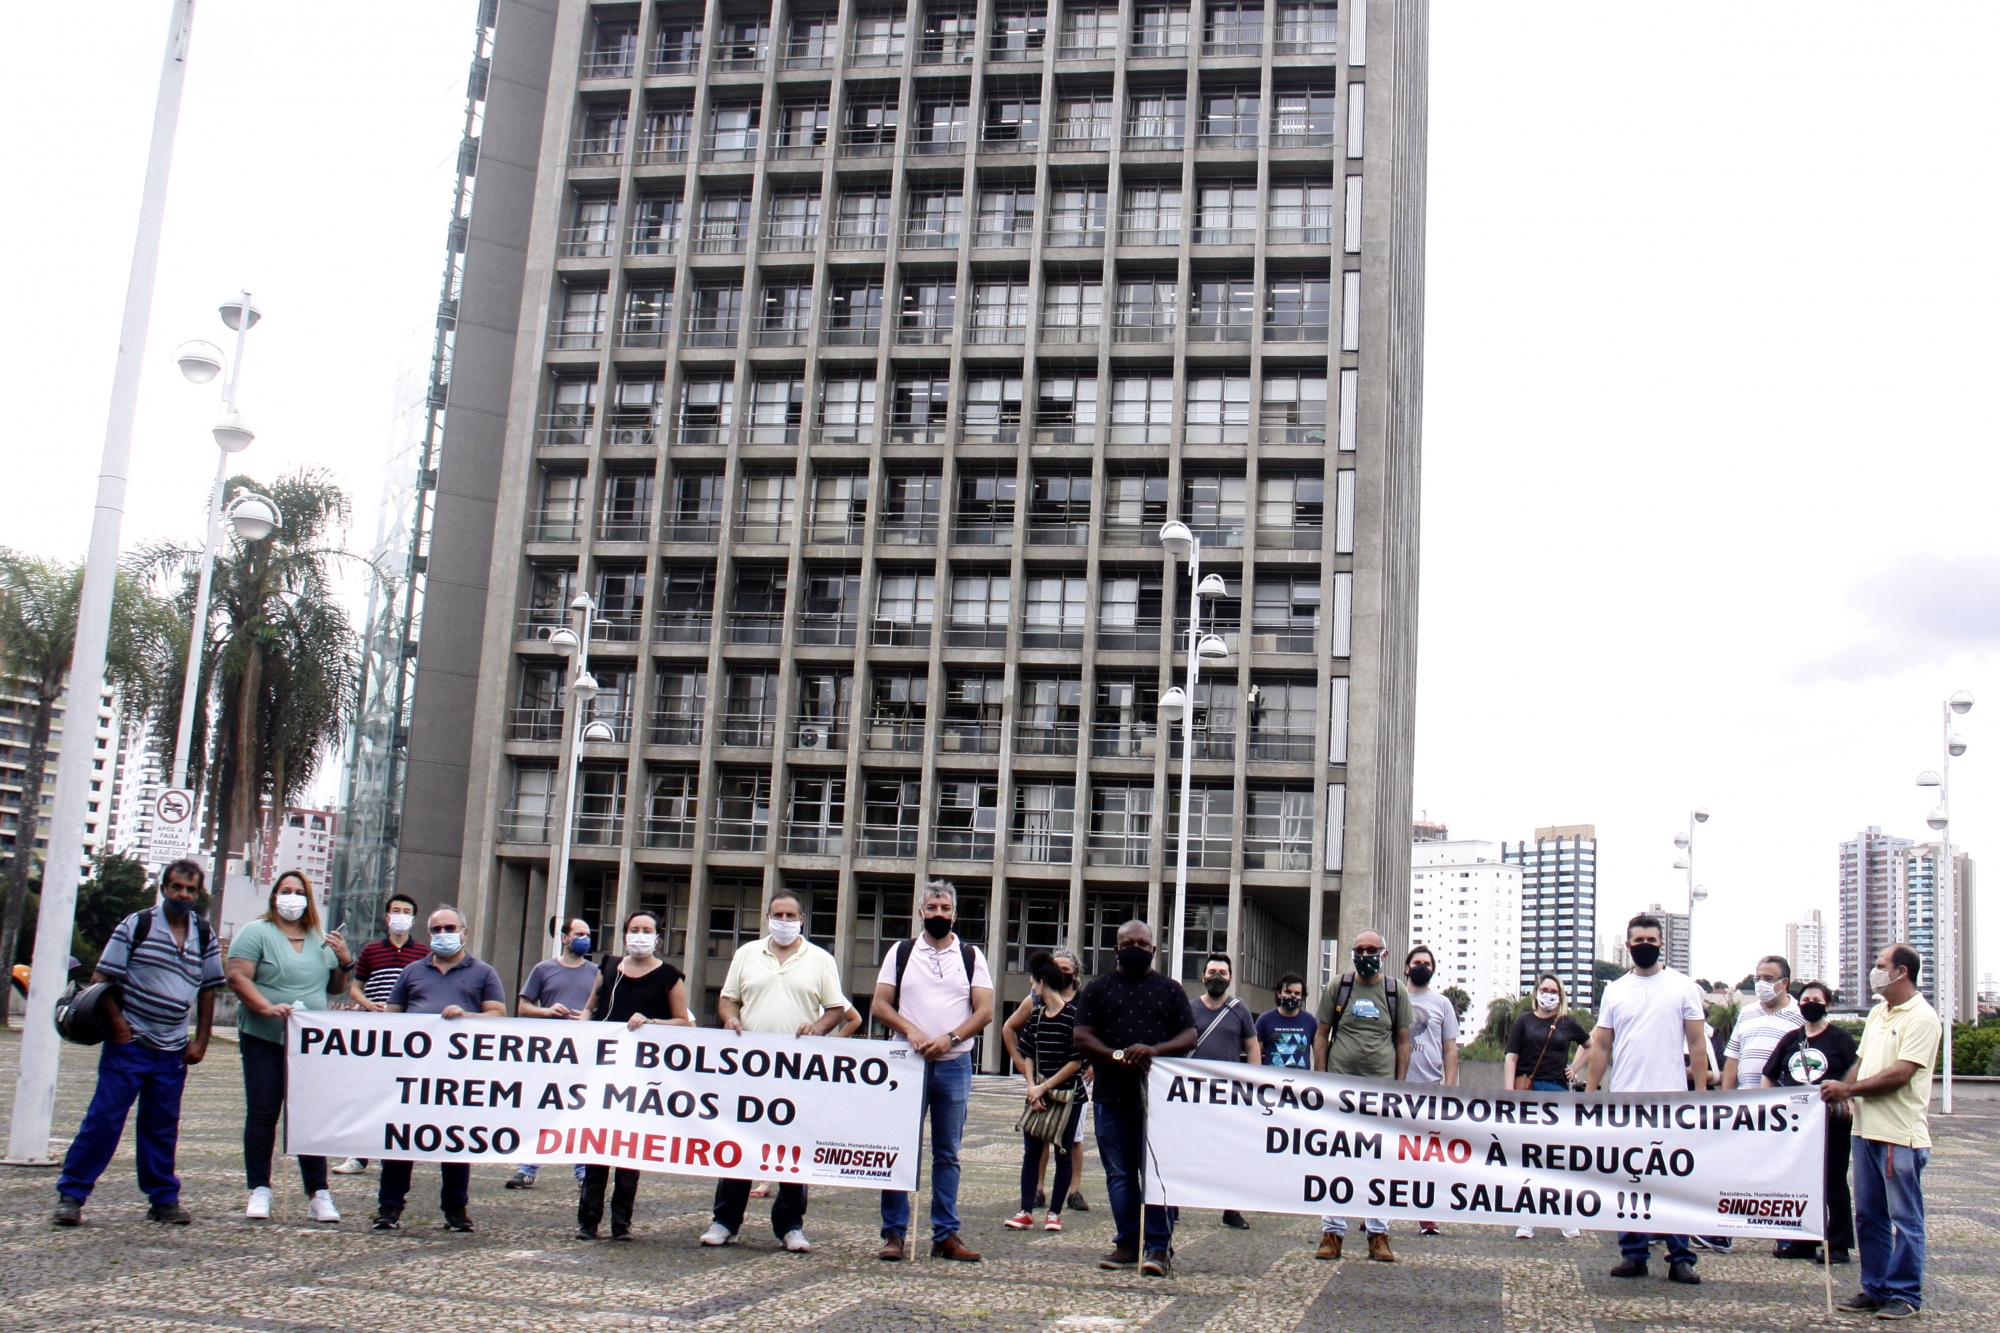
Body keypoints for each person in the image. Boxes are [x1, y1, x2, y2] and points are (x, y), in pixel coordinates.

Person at [53, 859, 222, 1227]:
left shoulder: (204, 934)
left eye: (191, 889)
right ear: (163, 888)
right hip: (130, 1044)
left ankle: (163, 1198)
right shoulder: (137, 924)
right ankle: (72, 1195)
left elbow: (209, 989)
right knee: (104, 1119)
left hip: (173, 1048)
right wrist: (118, 1024)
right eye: (176, 887)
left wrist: (202, 1039)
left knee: (162, 1126)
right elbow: (102, 978)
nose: (183, 895)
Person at [704, 887, 859, 1252]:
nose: (785, 921)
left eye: (791, 916)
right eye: (778, 915)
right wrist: (730, 1019)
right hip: (751, 1067)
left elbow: (836, 1008)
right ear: (768, 917)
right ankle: (725, 1220)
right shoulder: (746, 954)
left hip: (797, 1069)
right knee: (739, 1142)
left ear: (802, 919)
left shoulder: (820, 959)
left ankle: (790, 1224)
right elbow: (727, 999)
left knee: (793, 1146)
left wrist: (818, 1029)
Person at [872, 880, 995, 1262]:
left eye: (945, 909)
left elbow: (986, 1011)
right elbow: (879, 1004)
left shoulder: (972, 956)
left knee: (948, 1154)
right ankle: (894, 1234)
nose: (938, 914)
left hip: (954, 1064)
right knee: (898, 1148)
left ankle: (945, 1233)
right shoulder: (901, 951)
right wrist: (911, 1030)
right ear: (921, 912)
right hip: (906, 1064)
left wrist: (950, 1039)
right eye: (932, 908)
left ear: (955, 914)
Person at [1071, 920, 1198, 1277]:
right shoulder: (1097, 989)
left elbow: (1190, 1035)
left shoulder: (1170, 989)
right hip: (1111, 1095)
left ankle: (1158, 1247)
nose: (1136, 949)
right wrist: (1115, 1055)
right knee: (1120, 1173)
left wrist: (1153, 1051)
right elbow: (1081, 1037)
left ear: (1154, 950)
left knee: (1156, 1173)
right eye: (1129, 943)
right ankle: (1127, 1242)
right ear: (1116, 948)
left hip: (1159, 1100)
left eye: (1143, 944)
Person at [1587, 913, 1709, 1285]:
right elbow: (1602, 1043)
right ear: (1627, 946)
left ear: (1661, 944)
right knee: (1629, 1180)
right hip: (1624, 1100)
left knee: (1672, 1181)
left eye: (1651, 940)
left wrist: (1700, 1096)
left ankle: (1681, 1256)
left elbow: (1697, 1043)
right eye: (1638, 941)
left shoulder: (1683, 987)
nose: (1644, 946)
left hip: (1670, 1101)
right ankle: (1633, 1253)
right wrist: (1592, 1092)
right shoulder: (1615, 990)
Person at [225, 871, 354, 1222]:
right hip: (264, 1036)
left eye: (299, 892)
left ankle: (318, 1192)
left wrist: (345, 960)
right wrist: (266, 1007)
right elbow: (237, 976)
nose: (292, 898)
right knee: (264, 1112)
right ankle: (260, 1189)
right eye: (286, 891)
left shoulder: (318, 939)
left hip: (309, 1043)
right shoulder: (257, 933)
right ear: (274, 897)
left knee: (309, 1115)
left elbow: (335, 987)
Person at [1825, 944, 1942, 1320]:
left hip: (1899, 1136)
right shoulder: (1879, 1012)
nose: (1874, 971)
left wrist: (1849, 1091)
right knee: (1869, 1216)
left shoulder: (1922, 1017)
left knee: (1904, 1218)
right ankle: (1875, 1287)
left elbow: (1901, 1074)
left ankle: (1906, 1294)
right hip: (1865, 1132)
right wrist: (1844, 1092)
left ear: (1901, 972)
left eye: (1880, 965)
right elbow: (1860, 1062)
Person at [378, 905, 506, 1231]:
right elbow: (392, 1016)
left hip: (458, 1075)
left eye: (450, 928)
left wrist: (467, 1018)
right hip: (413, 1073)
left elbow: (497, 1016)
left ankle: (455, 1209)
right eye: (437, 929)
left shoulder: (484, 972)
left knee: (455, 1140)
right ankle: (389, 1208)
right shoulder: (411, 971)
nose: (444, 935)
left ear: (464, 932)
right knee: (401, 1139)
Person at [575, 910, 693, 1239]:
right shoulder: (609, 968)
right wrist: (579, 1037)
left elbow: (682, 1021)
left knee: (628, 1149)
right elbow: (590, 1007)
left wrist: (652, 1024)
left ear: (657, 937)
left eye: (646, 930)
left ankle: (621, 1221)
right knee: (596, 1147)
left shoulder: (670, 976)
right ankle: (588, 1220)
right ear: (625, 933)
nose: (639, 935)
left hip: (643, 1077)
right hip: (604, 1071)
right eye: (633, 929)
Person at [1311, 929, 1409, 1262]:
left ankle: (1378, 1233)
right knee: (1335, 1158)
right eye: (1359, 949)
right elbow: (1321, 1035)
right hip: (1340, 1089)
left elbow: (1403, 1041)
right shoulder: (1338, 987)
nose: (1365, 955)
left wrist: (1399, 1084)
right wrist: (1321, 1079)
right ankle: (1332, 1232)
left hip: (1380, 1090)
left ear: (1384, 954)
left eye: (1372, 950)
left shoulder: (1396, 992)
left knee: (1379, 1162)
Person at [1762, 980, 1857, 1265]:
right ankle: (1804, 1240)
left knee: (1833, 1180)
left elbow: (1855, 1071)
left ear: (1827, 1004)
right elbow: (1770, 1073)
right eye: (1805, 999)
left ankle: (1839, 1244)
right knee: (1800, 1180)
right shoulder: (1791, 1039)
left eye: (1816, 999)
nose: (1810, 1003)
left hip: (1833, 1123)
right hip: (1796, 1125)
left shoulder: (1840, 1038)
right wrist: (1766, 1107)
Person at [335, 893, 429, 1175]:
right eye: (395, 911)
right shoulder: (371, 950)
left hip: (407, 1035)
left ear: (413, 918)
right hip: (376, 1031)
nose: (400, 916)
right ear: (387, 917)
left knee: (402, 1093)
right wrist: (369, 1006)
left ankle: (397, 1153)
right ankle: (359, 1155)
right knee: (369, 1094)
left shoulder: (423, 953)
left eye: (406, 911)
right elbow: (355, 987)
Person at [506, 918, 601, 1191]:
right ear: (564, 938)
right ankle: (527, 1168)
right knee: (544, 1110)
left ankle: (583, 1171)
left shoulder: (597, 973)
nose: (584, 938)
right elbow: (523, 1007)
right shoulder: (543, 969)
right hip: (549, 1053)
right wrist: (546, 1011)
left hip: (584, 1053)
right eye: (579, 933)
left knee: (582, 1111)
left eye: (587, 933)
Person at [1002, 948, 1093, 1214]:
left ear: (1076, 975)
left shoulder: (1083, 1004)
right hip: (1040, 1082)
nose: (1062, 974)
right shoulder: (1035, 1002)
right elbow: (1010, 1028)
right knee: (1038, 1138)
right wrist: (1020, 1062)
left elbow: (1099, 1036)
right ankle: (1037, 1189)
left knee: (1071, 1139)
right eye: (1058, 968)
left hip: (1073, 1084)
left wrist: (1094, 1065)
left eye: (1067, 970)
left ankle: (1073, 1191)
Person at [1504, 973, 1591, 1240]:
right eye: (1544, 989)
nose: (1549, 994)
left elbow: (1590, 1046)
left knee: (1558, 1158)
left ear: (1561, 996)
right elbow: (1511, 1058)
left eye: (1554, 991)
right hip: (1528, 1091)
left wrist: (1574, 1068)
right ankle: (1526, 1219)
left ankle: (1565, 1217)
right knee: (1528, 1158)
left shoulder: (1567, 1023)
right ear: (1536, 993)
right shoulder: (1523, 1022)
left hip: (1557, 1092)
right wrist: (1510, 1095)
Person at [1187, 952, 1259, 1230]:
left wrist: (1253, 1083)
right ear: (1203, 976)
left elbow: (1252, 1047)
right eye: (1212, 972)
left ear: (1230, 978)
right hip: (1193, 1094)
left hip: (1229, 1096)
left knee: (1231, 1152)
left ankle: (1232, 1208)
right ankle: (1175, 1203)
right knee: (1187, 1150)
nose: (1217, 977)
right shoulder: (1190, 1008)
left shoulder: (1239, 1010)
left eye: (1223, 973)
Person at [1401, 946, 1458, 1236]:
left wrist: (1449, 1087)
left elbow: (1450, 1048)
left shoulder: (1443, 1004)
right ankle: (1375, 1211)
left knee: (1427, 1157)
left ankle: (1426, 1215)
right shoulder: (1394, 997)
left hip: (1431, 1090)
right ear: (1406, 967)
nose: (1422, 966)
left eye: (1427, 963)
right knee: (1386, 1153)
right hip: (1396, 1089)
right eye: (1417, 962)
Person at [1257, 973, 1316, 1070]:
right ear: (1279, 993)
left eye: (1297, 993)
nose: (1292, 996)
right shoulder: (1264, 1020)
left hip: (1301, 1082)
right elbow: (1256, 1054)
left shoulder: (1310, 1021)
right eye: (1288, 992)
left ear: (1302, 997)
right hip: (1271, 1082)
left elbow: (1320, 1051)